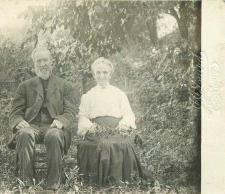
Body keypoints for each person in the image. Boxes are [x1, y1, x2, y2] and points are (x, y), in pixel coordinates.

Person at [9, 46, 76, 190]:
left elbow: (70, 111)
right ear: (34, 65)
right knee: (24, 134)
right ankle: (27, 183)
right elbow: (15, 111)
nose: (42, 64)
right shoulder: (25, 86)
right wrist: (19, 121)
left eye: (45, 60)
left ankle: (52, 185)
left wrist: (61, 121)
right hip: (31, 125)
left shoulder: (64, 85)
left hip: (52, 125)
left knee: (54, 136)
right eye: (38, 61)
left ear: (52, 62)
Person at [77, 57, 151, 186]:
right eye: (98, 73)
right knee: (102, 144)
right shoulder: (88, 95)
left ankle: (119, 180)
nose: (101, 76)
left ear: (110, 74)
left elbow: (128, 114)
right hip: (96, 129)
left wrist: (123, 124)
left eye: (105, 72)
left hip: (116, 128)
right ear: (94, 75)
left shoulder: (119, 94)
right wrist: (90, 126)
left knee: (118, 143)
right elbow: (83, 116)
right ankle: (100, 181)